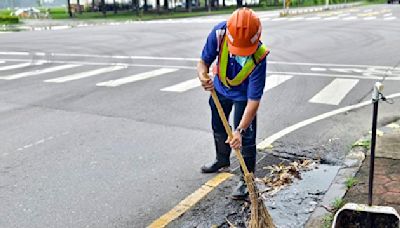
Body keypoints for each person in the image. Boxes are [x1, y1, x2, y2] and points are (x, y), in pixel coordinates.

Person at [197, 7, 269, 200]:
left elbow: (254, 101)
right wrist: (203, 77)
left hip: (243, 97)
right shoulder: (220, 33)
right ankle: (222, 159)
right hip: (220, 88)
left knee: (245, 136)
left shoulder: (259, 57)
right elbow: (202, 62)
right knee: (218, 124)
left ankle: (247, 180)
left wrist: (240, 130)